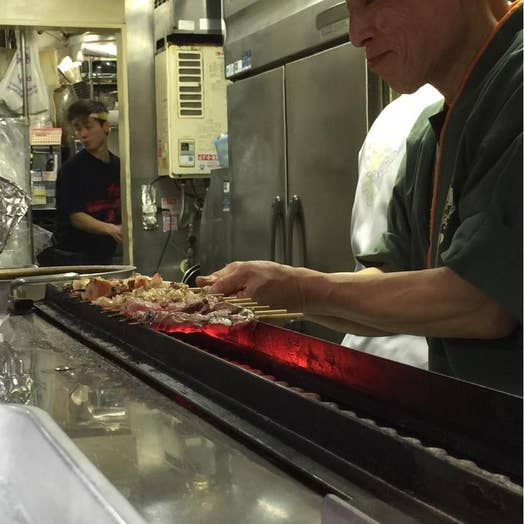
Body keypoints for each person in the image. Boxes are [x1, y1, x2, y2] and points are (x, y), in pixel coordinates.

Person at [197, 0, 523, 395]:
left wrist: (302, 288)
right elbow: (395, 278)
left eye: (371, 1)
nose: (356, 34)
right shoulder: (428, 137)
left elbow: (482, 303)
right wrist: (281, 296)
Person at [342, 84, 443, 369]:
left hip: (364, 339)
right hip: (420, 351)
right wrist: (299, 292)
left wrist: (300, 293)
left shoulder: (391, 115)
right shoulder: (442, 112)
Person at [41, 99, 122, 265]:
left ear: (106, 126)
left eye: (88, 127)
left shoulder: (118, 167)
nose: (83, 134)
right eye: (78, 129)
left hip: (104, 255)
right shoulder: (72, 169)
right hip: (73, 257)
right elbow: (76, 217)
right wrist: (111, 229)